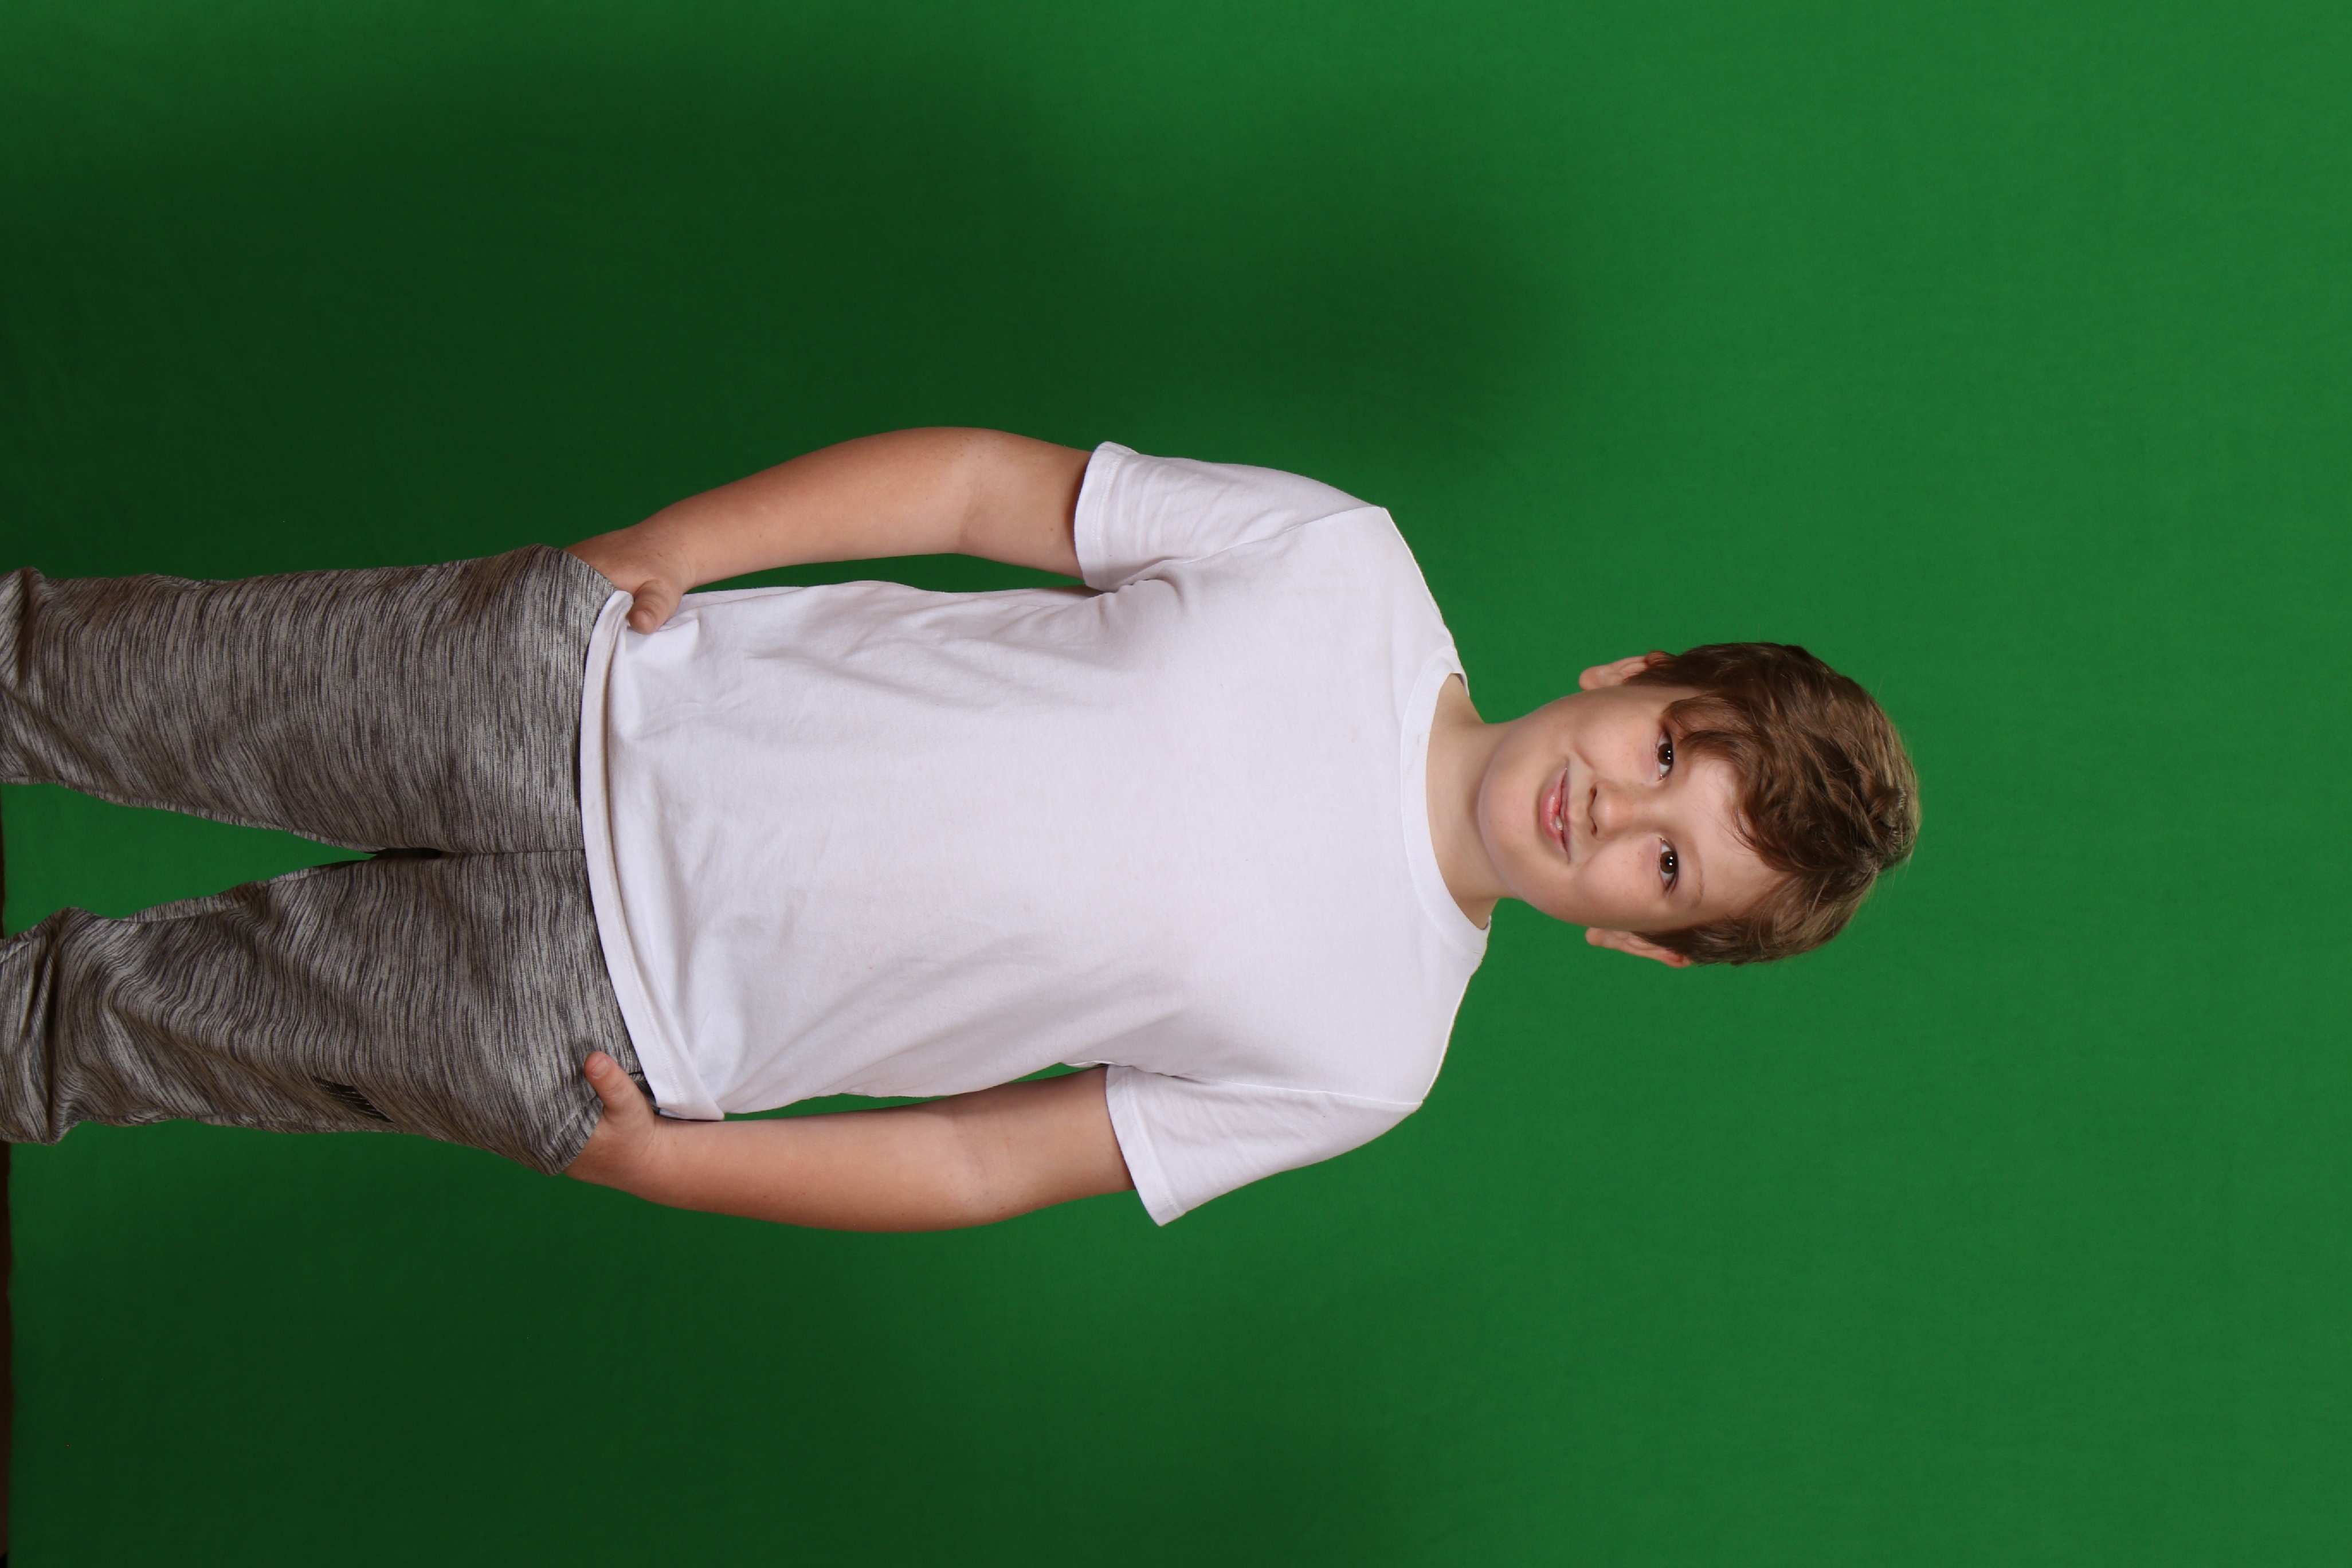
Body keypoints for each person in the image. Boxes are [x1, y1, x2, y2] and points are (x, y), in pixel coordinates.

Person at [0, 429, 1917, 1231]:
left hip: (611, 1024)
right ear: (1636, 672)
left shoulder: (1372, 1055)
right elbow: (989, 487)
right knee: (84, 675)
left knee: (102, 1030)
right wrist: (676, 545)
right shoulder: (1346, 568)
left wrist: (676, 1168)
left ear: (1638, 938)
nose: (1618, 808)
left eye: (1670, 861)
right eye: (1669, 749)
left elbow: (991, 1160)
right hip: (579, 692)